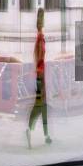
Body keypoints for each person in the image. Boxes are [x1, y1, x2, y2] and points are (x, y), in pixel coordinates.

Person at [26, 8, 52, 148]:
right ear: (42, 23)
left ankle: (46, 135)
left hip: (39, 76)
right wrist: (40, 75)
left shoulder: (38, 37)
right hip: (40, 77)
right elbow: (40, 58)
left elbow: (38, 58)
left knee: (42, 107)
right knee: (40, 106)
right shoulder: (40, 38)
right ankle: (30, 130)